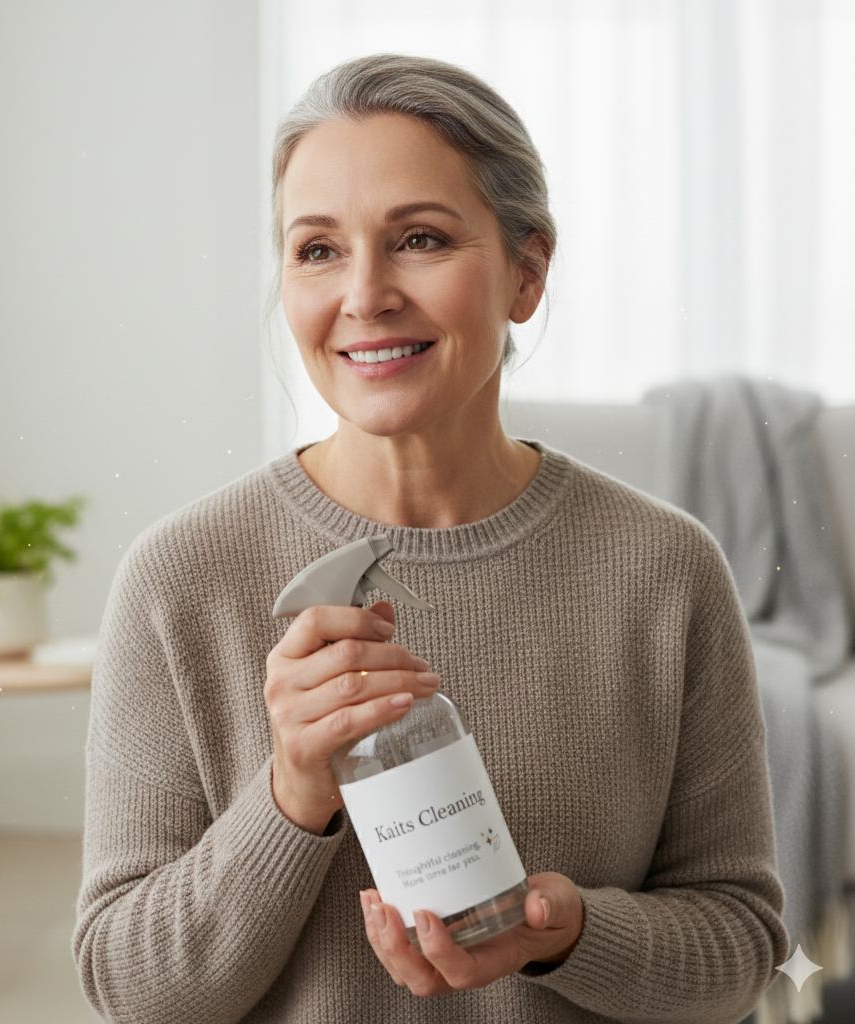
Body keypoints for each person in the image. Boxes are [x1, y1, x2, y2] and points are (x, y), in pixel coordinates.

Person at [73, 53, 788, 1023]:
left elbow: (740, 953)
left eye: (418, 238)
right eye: (317, 250)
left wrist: (566, 934)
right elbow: (131, 989)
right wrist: (289, 793)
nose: (364, 294)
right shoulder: (178, 579)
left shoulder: (665, 572)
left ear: (526, 272)